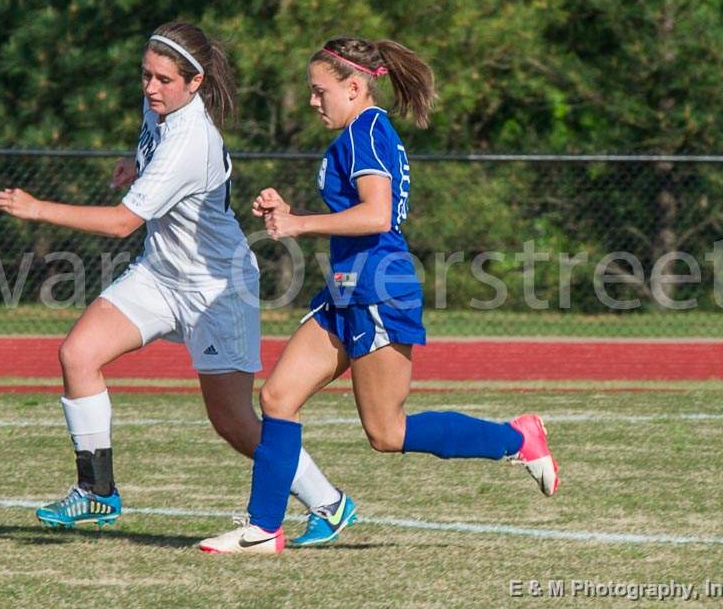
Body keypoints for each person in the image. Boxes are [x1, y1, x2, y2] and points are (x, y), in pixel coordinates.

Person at [0, 22, 357, 546]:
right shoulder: (161, 110)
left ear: (195, 83)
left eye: (163, 79)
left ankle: (329, 502)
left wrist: (37, 208)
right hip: (161, 272)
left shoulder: (192, 137)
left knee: (233, 422)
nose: (150, 88)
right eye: (145, 75)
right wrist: (133, 168)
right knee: (78, 354)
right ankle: (96, 492)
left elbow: (122, 224)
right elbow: (152, 165)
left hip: (216, 288)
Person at [199, 36, 559, 554]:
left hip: (379, 293)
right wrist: (289, 208)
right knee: (278, 397)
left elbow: (377, 215)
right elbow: (358, 213)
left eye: (319, 91)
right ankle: (263, 529)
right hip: (346, 290)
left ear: (353, 87)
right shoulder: (357, 134)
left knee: (386, 432)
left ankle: (517, 439)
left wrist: (299, 222)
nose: (312, 100)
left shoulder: (367, 129)